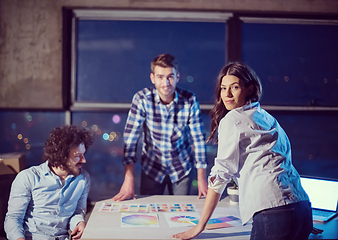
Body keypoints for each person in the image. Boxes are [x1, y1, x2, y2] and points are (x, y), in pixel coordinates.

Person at [173, 62, 313, 240]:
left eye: (235, 87)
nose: (227, 94)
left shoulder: (232, 119)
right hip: (302, 208)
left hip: (272, 211)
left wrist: (199, 226)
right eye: (224, 88)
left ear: (249, 89)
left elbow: (221, 174)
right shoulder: (266, 117)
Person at [112, 53, 208, 201]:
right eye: (160, 77)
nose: (166, 83)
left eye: (170, 76)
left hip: (181, 170)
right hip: (152, 168)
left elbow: (198, 140)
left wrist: (202, 178)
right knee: (149, 215)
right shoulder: (141, 99)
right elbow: (130, 139)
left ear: (177, 77)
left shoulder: (189, 100)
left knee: (181, 216)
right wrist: (129, 178)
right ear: (152, 78)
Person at [5, 125, 94, 240]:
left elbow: (77, 212)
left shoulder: (83, 179)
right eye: (78, 156)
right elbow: (13, 218)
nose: (84, 160)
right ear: (61, 156)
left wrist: (79, 222)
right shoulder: (28, 177)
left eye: (83, 154)